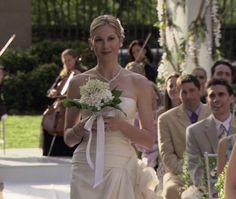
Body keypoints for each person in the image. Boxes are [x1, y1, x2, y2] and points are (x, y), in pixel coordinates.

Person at [63, 15, 160, 199]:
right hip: (85, 166)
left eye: (111, 39)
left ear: (121, 41)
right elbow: (68, 138)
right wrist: (81, 127)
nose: (105, 46)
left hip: (121, 166)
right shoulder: (78, 82)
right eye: (99, 40)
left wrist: (121, 125)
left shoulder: (138, 83)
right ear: (91, 43)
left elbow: (148, 140)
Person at [157, 74, 211, 199]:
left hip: (211, 169)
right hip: (178, 173)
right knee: (171, 190)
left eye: (192, 91)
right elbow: (167, 155)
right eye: (183, 92)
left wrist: (207, 169)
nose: (188, 96)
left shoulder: (213, 112)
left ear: (200, 90)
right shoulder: (165, 119)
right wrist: (189, 170)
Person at [185, 79, 235, 189]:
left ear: (232, 98)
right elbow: (194, 168)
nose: (216, 99)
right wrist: (213, 190)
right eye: (212, 96)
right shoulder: (194, 131)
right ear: (207, 101)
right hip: (208, 191)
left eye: (221, 94)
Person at [42, 48, 82, 156]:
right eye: (64, 61)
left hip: (74, 107)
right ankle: (49, 151)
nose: (67, 63)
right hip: (59, 106)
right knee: (46, 119)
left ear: (75, 59)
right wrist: (53, 91)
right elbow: (51, 89)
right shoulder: (63, 75)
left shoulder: (81, 74)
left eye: (69, 60)